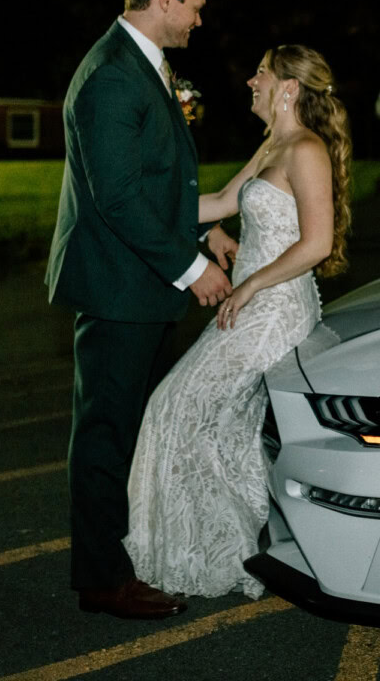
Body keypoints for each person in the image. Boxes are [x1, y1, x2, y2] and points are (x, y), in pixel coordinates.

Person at [46, 0, 238, 620]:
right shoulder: (110, 78)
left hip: (142, 284)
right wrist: (193, 272)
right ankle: (102, 580)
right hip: (117, 291)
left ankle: (132, 554)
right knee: (106, 435)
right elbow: (119, 198)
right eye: (195, 7)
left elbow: (157, 183)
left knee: (138, 430)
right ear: (165, 0)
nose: (199, 21)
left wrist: (200, 230)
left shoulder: (143, 68)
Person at [123, 44, 351, 600]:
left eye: (262, 74)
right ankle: (230, 544)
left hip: (274, 311)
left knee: (175, 404)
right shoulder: (273, 143)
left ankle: (210, 548)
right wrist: (137, 202)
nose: (251, 81)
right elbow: (223, 200)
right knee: (217, 422)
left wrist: (247, 284)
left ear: (288, 89)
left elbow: (316, 243)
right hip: (250, 309)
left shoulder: (307, 148)